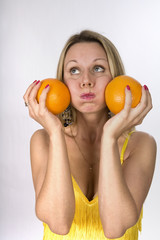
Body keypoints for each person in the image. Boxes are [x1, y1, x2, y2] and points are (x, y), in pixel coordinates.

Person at [23, 30, 157, 240]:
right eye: (74, 70)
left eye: (98, 68)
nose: (86, 80)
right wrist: (57, 132)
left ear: (116, 78)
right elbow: (59, 224)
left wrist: (110, 137)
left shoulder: (142, 145)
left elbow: (115, 228)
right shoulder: (44, 141)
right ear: (62, 82)